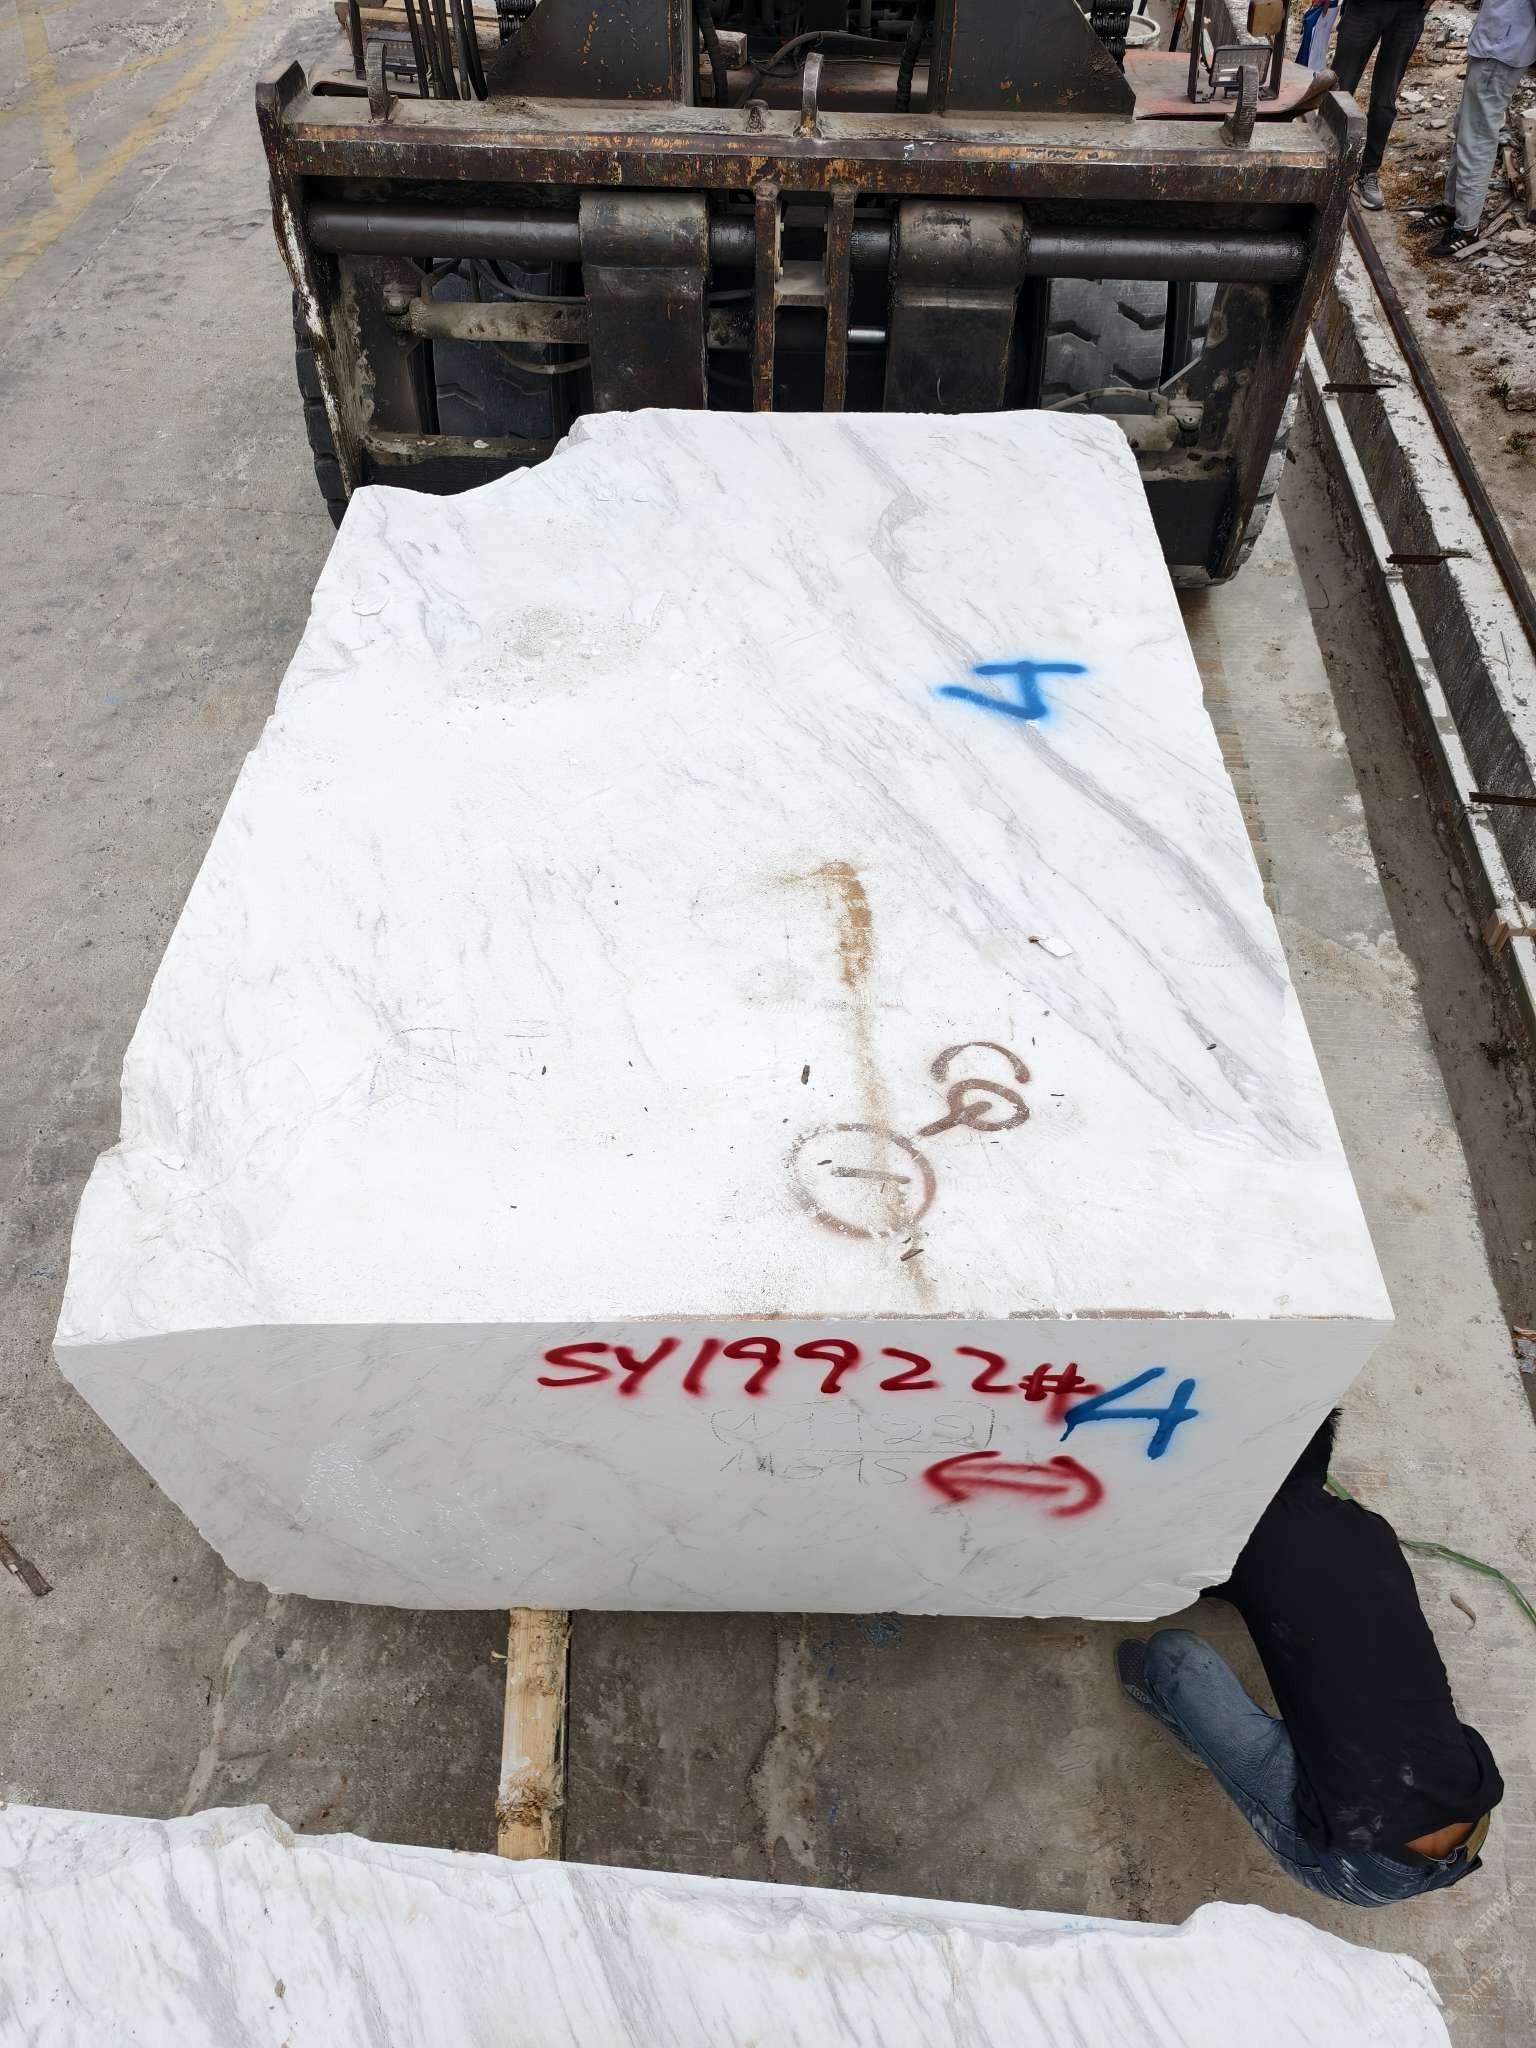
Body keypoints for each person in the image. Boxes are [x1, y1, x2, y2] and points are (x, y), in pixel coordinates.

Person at [1116, 1410, 1503, 1906]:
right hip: (1468, 1819)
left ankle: (1205, 1742)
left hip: (1356, 1865)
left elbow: (1168, 1579)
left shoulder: (1235, 1536)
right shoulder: (1371, 1530)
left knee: (1171, 1655)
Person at [1423, 0, 1536, 254]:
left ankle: (1467, 226)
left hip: (1502, 48)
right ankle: (1453, 206)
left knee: (1477, 137)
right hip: (1494, 43)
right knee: (1466, 128)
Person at [1332, 0, 1430, 211]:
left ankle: (1368, 171)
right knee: (1340, 89)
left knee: (1385, 99)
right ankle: (1329, 162)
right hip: (1364, 7)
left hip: (1409, 10)